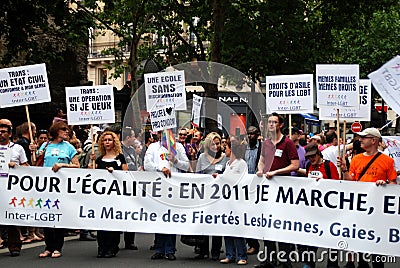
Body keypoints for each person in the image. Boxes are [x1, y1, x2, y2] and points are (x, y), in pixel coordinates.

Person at [338, 127, 397, 268]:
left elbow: (394, 184)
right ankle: (361, 262)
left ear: (373, 140)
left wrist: (386, 184)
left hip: (377, 208)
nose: (360, 140)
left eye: (364, 137)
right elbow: (350, 182)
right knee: (359, 235)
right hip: (359, 206)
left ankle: (377, 263)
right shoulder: (356, 159)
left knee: (376, 237)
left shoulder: (387, 161)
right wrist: (345, 170)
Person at [256, 113, 299, 268]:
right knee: (267, 224)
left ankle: (285, 259)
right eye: (269, 122)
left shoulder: (287, 143)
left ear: (281, 125)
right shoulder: (266, 143)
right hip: (268, 189)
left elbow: (295, 165)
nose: (271, 125)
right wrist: (261, 169)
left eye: (274, 122)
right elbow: (262, 160)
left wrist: (276, 172)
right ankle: (269, 258)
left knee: (282, 224)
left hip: (283, 189)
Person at [144, 130, 190, 261]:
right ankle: (159, 248)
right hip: (158, 187)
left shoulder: (178, 146)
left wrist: (175, 160)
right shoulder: (153, 147)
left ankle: (170, 250)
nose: (162, 134)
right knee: (159, 217)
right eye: (160, 132)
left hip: (173, 187)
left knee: (171, 218)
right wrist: (161, 169)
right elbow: (147, 165)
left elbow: (186, 166)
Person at [38, 122, 80, 259]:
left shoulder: (68, 147)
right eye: (63, 129)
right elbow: (36, 162)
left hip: (61, 187)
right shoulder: (46, 146)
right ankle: (48, 247)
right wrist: (33, 150)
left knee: (58, 216)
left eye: (67, 130)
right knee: (47, 217)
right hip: (46, 186)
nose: (67, 132)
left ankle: (57, 246)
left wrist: (62, 165)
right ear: (56, 131)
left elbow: (77, 166)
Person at [88, 131, 128, 258]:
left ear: (114, 142)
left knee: (113, 222)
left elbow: (125, 174)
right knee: (101, 222)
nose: (107, 142)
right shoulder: (99, 159)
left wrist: (115, 172)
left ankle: (112, 247)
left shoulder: (120, 157)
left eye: (109, 140)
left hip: (115, 195)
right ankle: (101, 247)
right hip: (102, 196)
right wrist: (91, 163)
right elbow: (93, 175)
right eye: (105, 140)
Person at [195, 132, 228, 260]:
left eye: (218, 143)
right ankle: (203, 251)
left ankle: (216, 251)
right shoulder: (202, 157)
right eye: (213, 144)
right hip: (205, 195)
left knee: (217, 223)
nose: (216, 146)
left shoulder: (225, 158)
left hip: (220, 196)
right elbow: (198, 175)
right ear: (208, 145)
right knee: (205, 222)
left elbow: (228, 174)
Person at [0, 121, 29, 257]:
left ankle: (14, 245)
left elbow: (26, 166)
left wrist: (15, 167)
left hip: (12, 187)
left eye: (3, 131)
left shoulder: (17, 148)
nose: (1, 133)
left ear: (10, 134)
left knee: (10, 215)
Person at [218, 139, 248, 265]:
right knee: (227, 227)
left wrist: (223, 178)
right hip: (227, 200)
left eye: (227, 148)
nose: (225, 150)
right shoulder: (227, 164)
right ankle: (230, 254)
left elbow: (242, 180)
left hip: (237, 200)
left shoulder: (241, 164)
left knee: (237, 228)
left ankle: (242, 255)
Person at [244, 126, 262, 255]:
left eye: (252, 134)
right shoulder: (243, 148)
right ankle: (252, 243)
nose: (250, 136)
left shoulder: (262, 148)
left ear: (258, 135)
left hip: (258, 185)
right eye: (248, 134)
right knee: (246, 214)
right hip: (244, 184)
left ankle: (256, 243)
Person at [120, 126, 138, 250]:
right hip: (120, 184)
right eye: (133, 136)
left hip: (132, 183)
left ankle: (129, 240)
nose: (134, 138)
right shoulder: (119, 150)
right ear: (127, 138)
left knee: (131, 211)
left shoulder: (132, 149)